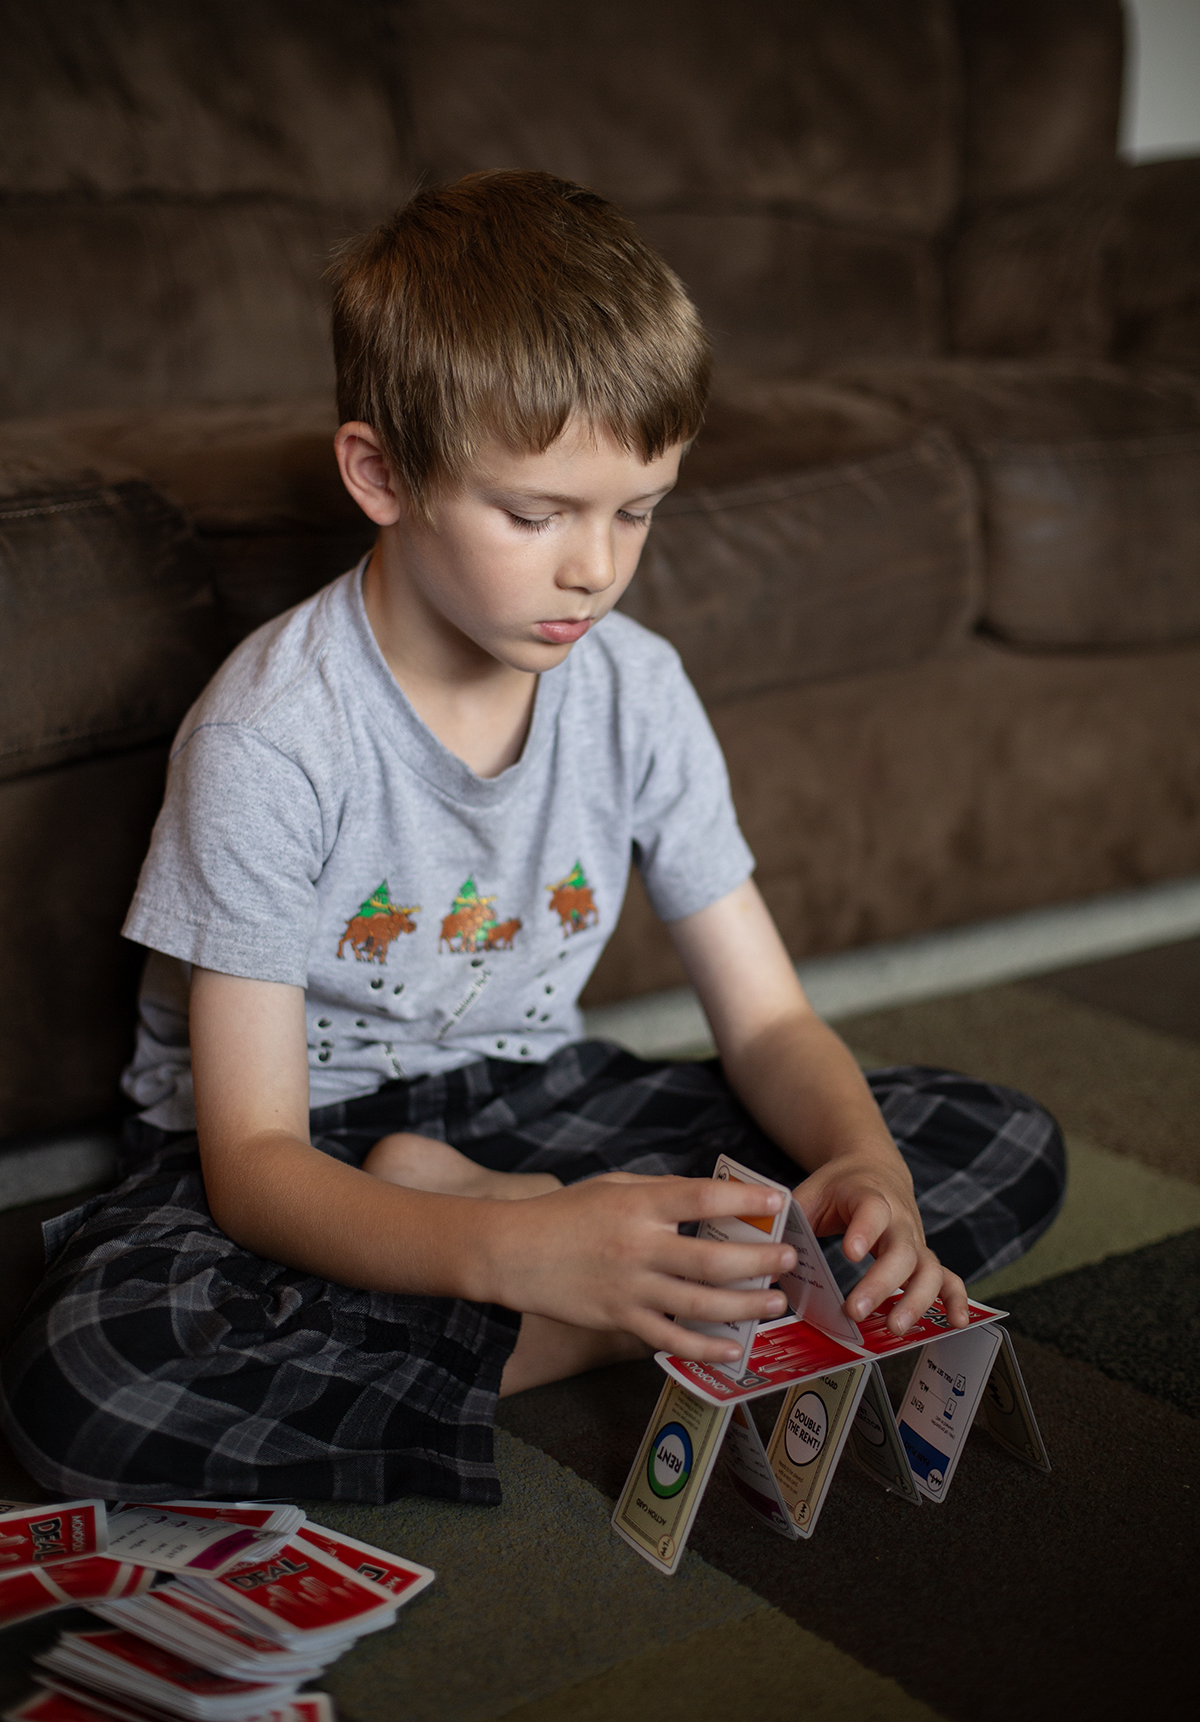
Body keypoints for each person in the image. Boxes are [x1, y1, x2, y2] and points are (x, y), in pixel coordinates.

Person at [0, 171, 1065, 1505]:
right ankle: (655, 1296)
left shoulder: (638, 690)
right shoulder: (268, 737)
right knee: (88, 1385)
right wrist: (515, 1252)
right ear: (382, 475)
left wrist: (864, 1170)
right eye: (534, 513)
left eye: (638, 509)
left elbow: (770, 1022)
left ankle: (621, 1278)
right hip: (302, 1144)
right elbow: (254, 1168)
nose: (595, 570)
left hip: (528, 1103)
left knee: (997, 1139)